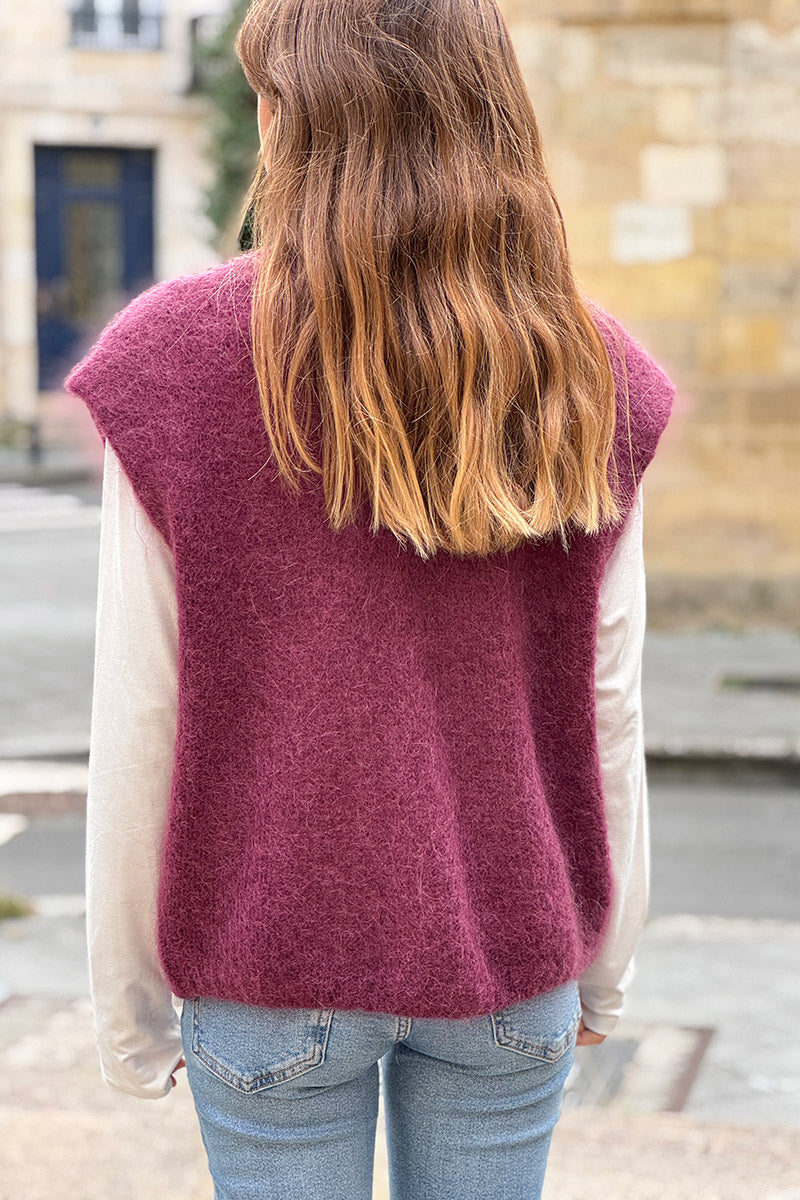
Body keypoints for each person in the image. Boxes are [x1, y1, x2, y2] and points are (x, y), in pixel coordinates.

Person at [64, 0, 675, 1196]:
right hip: (510, 955)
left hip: (266, 962)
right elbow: (608, 702)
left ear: (293, 120)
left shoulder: (175, 360)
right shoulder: (587, 370)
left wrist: (128, 1008)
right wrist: (603, 965)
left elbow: (141, 710)